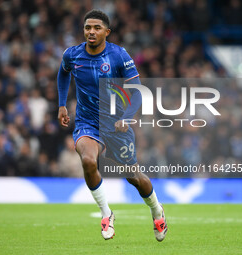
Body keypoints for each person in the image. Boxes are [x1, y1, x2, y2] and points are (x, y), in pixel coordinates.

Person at [57, 10, 167, 241]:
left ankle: (157, 210)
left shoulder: (118, 56)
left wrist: (126, 117)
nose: (91, 32)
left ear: (107, 32)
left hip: (116, 125)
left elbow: (137, 92)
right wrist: (62, 104)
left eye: (97, 28)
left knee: (133, 176)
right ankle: (106, 214)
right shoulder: (73, 54)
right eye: (88, 27)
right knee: (88, 160)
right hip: (87, 122)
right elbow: (63, 73)